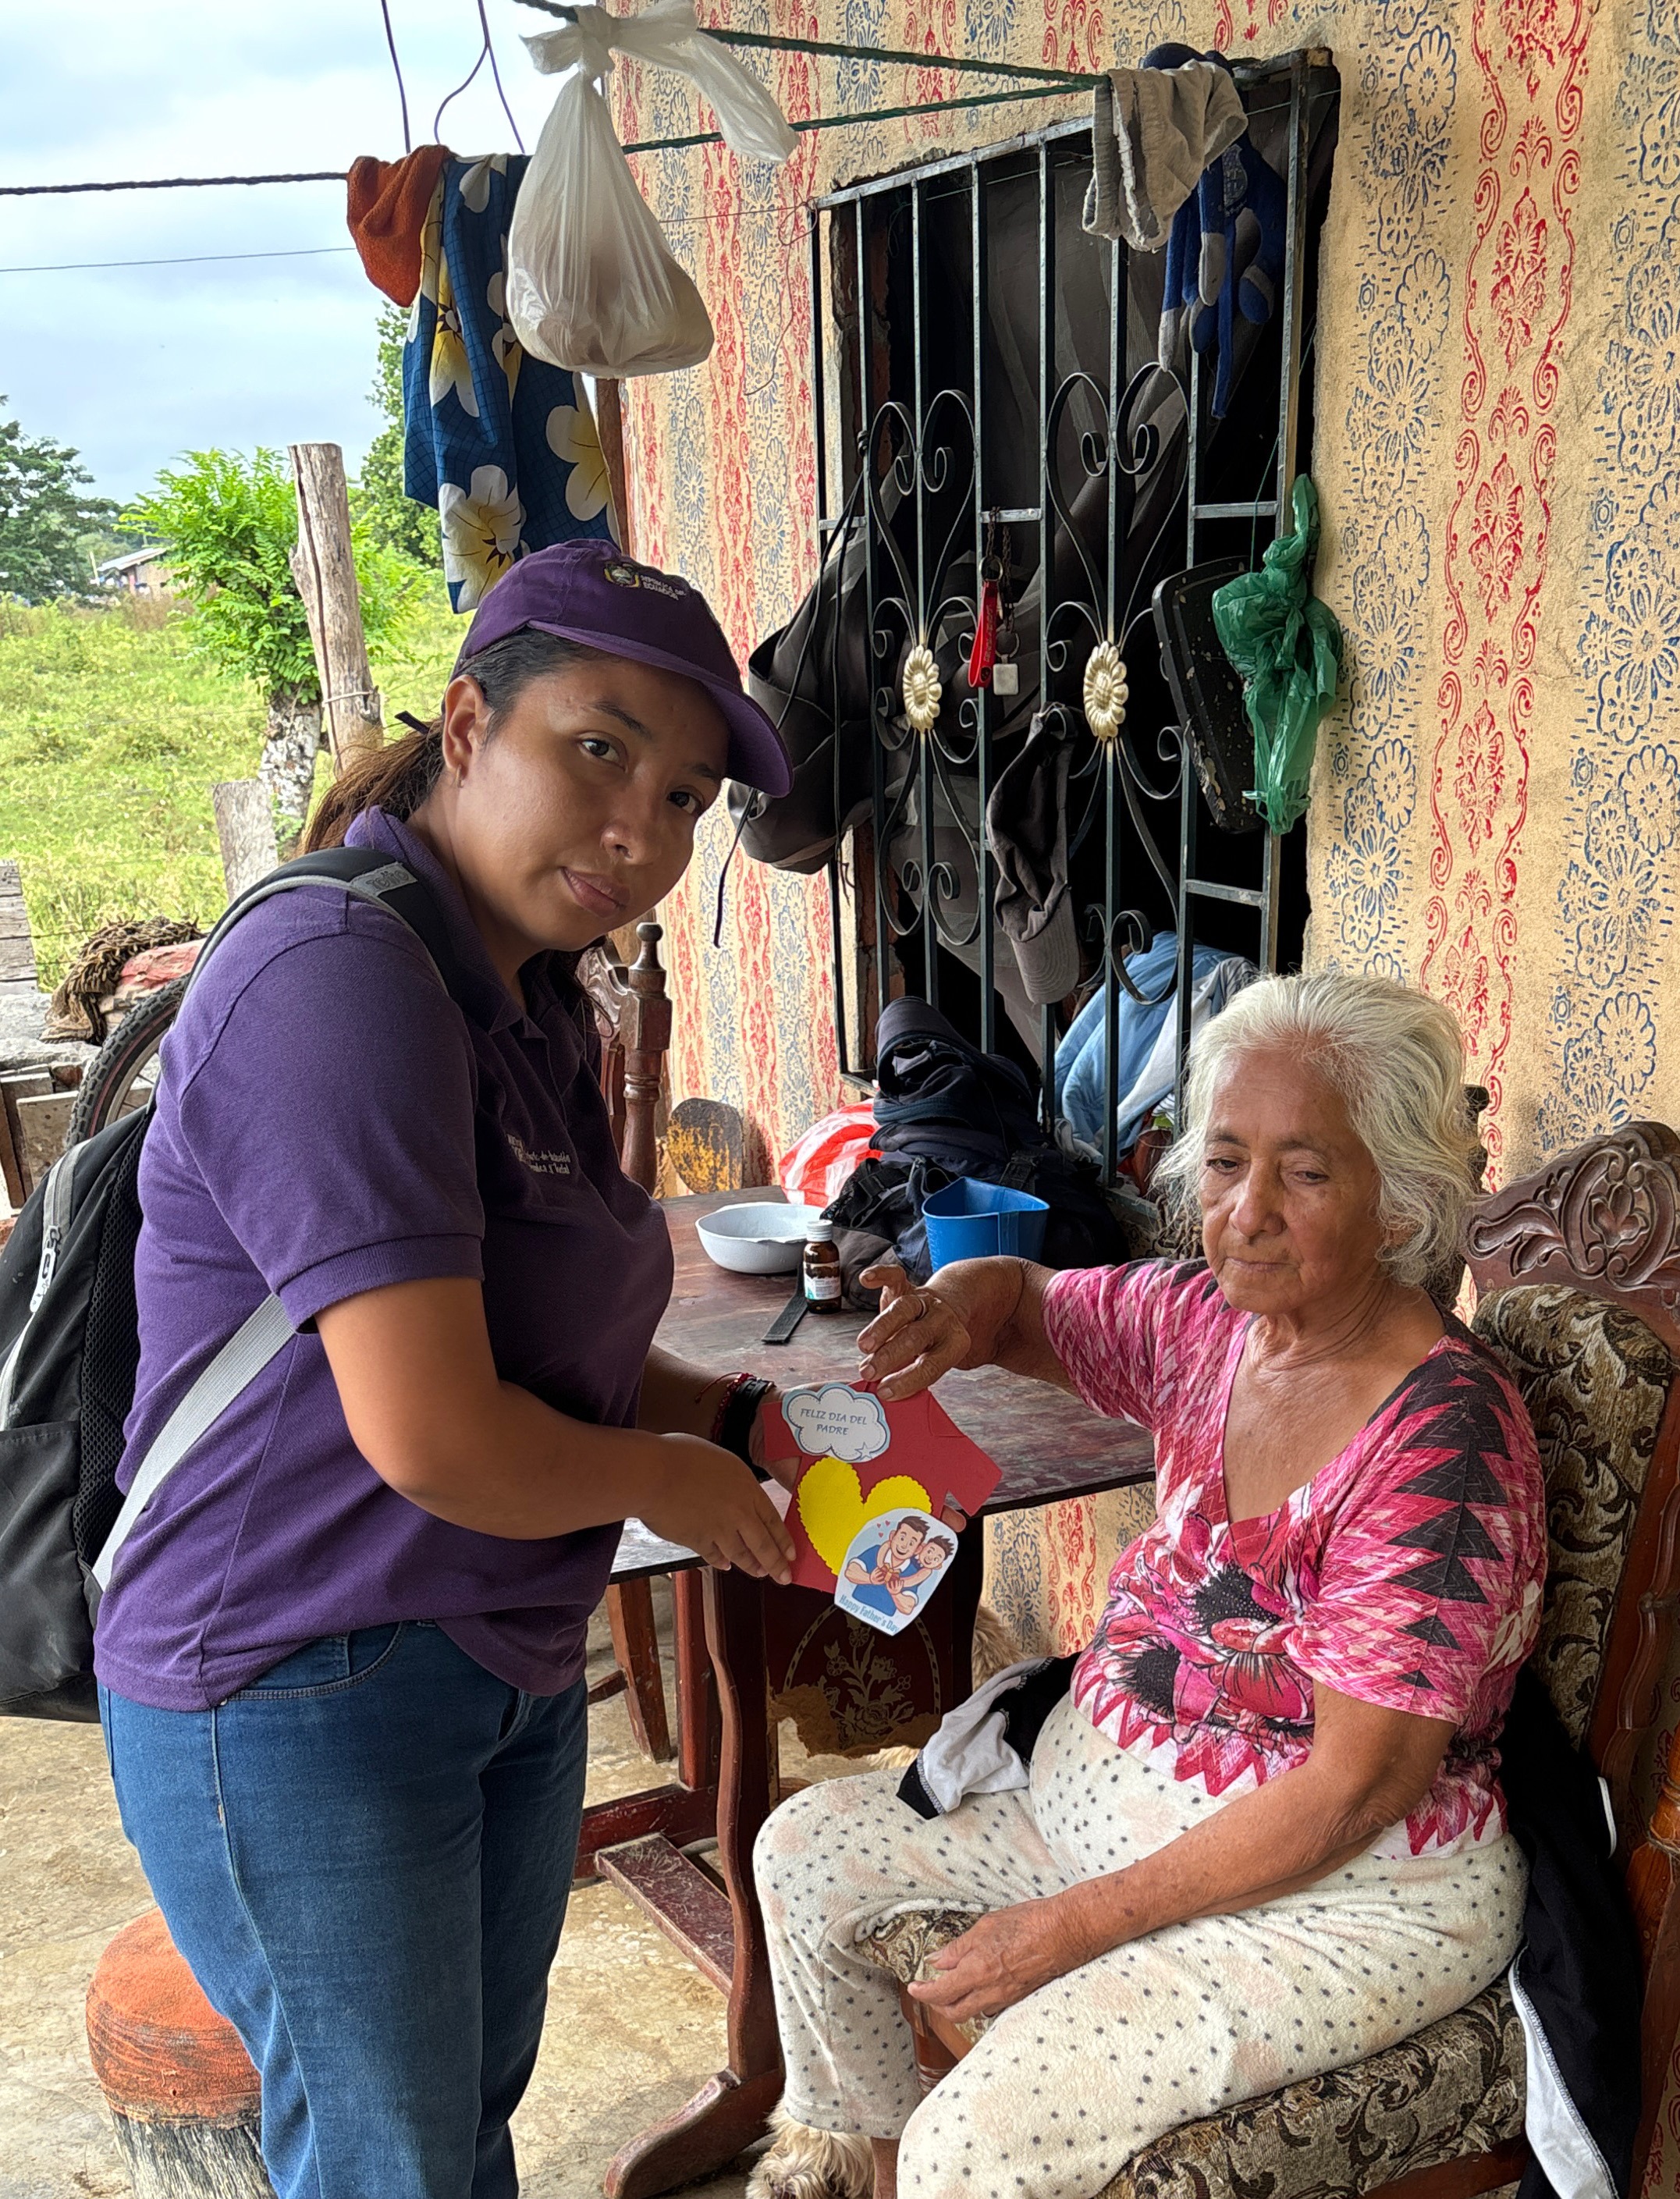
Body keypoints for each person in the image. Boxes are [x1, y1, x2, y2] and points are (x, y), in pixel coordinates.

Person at [94, 541, 801, 2199]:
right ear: (470, 723)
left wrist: (750, 1419)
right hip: (297, 1667)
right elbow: (435, 1432)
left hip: (490, 1643)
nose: (641, 830)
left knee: (456, 2121)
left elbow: (559, 1348)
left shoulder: (531, 997)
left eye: (685, 796)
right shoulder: (337, 977)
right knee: (389, 2161)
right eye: (600, 748)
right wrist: (671, 1478)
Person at [753, 971, 1547, 2199]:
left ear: (1397, 1203)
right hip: (1098, 1810)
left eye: (1305, 1171)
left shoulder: (1441, 1435)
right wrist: (961, 1301)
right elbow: (1023, 1306)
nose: (1247, 1211)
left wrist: (1068, 1927)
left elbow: (1359, 1784)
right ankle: (863, 2159)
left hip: (1340, 1896)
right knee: (803, 1846)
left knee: (978, 2147)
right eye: (1224, 1161)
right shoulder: (1206, 1323)